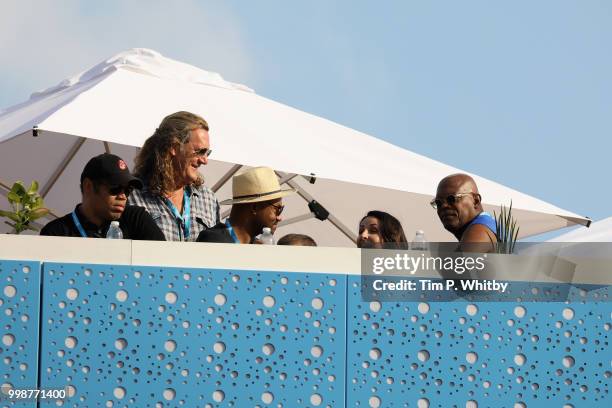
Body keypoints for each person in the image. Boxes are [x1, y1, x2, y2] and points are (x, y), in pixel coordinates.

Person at [129, 111, 220, 241]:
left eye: (207, 153)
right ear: (174, 147)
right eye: (199, 152)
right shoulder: (133, 195)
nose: (204, 160)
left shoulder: (208, 199)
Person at [40, 153, 165, 240]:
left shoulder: (136, 219)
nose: (123, 196)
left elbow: (165, 265)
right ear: (88, 186)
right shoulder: (55, 233)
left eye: (128, 190)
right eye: (115, 187)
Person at [197, 167, 294, 244]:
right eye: (278, 209)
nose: (279, 217)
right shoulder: (214, 242)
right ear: (254, 207)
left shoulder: (254, 245)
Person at [432, 173, 497, 252]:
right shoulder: (487, 226)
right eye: (438, 203)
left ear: (475, 201)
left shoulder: (479, 230)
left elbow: (458, 264)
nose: (444, 206)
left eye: (451, 199)